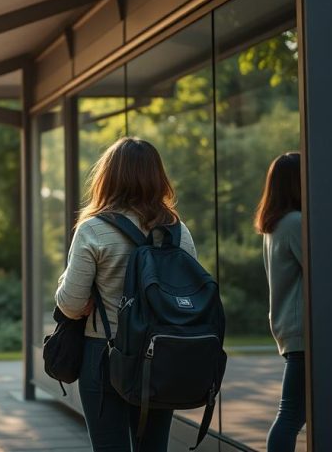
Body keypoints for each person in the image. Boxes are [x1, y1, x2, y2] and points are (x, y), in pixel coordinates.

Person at [56, 137, 197, 451]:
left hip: (105, 355)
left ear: (109, 176)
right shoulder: (177, 230)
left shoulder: (93, 229)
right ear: (157, 177)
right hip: (162, 355)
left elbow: (70, 304)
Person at [255, 151, 332, 451]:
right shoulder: (296, 223)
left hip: (302, 333)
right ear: (299, 183)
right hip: (311, 336)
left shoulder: (277, 225)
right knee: (290, 416)